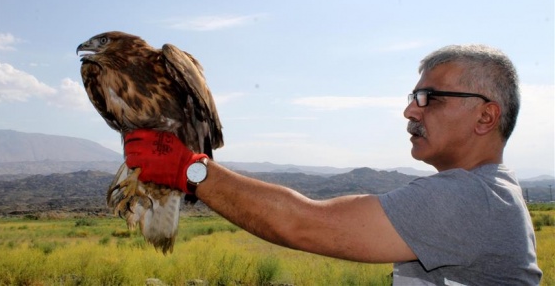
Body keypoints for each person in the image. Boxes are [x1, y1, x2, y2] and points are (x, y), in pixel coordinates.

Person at [123, 44, 542, 285]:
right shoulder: (488, 192)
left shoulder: (473, 198)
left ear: (486, 116)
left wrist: (189, 170)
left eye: (427, 98)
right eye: (412, 98)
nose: (410, 112)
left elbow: (305, 223)